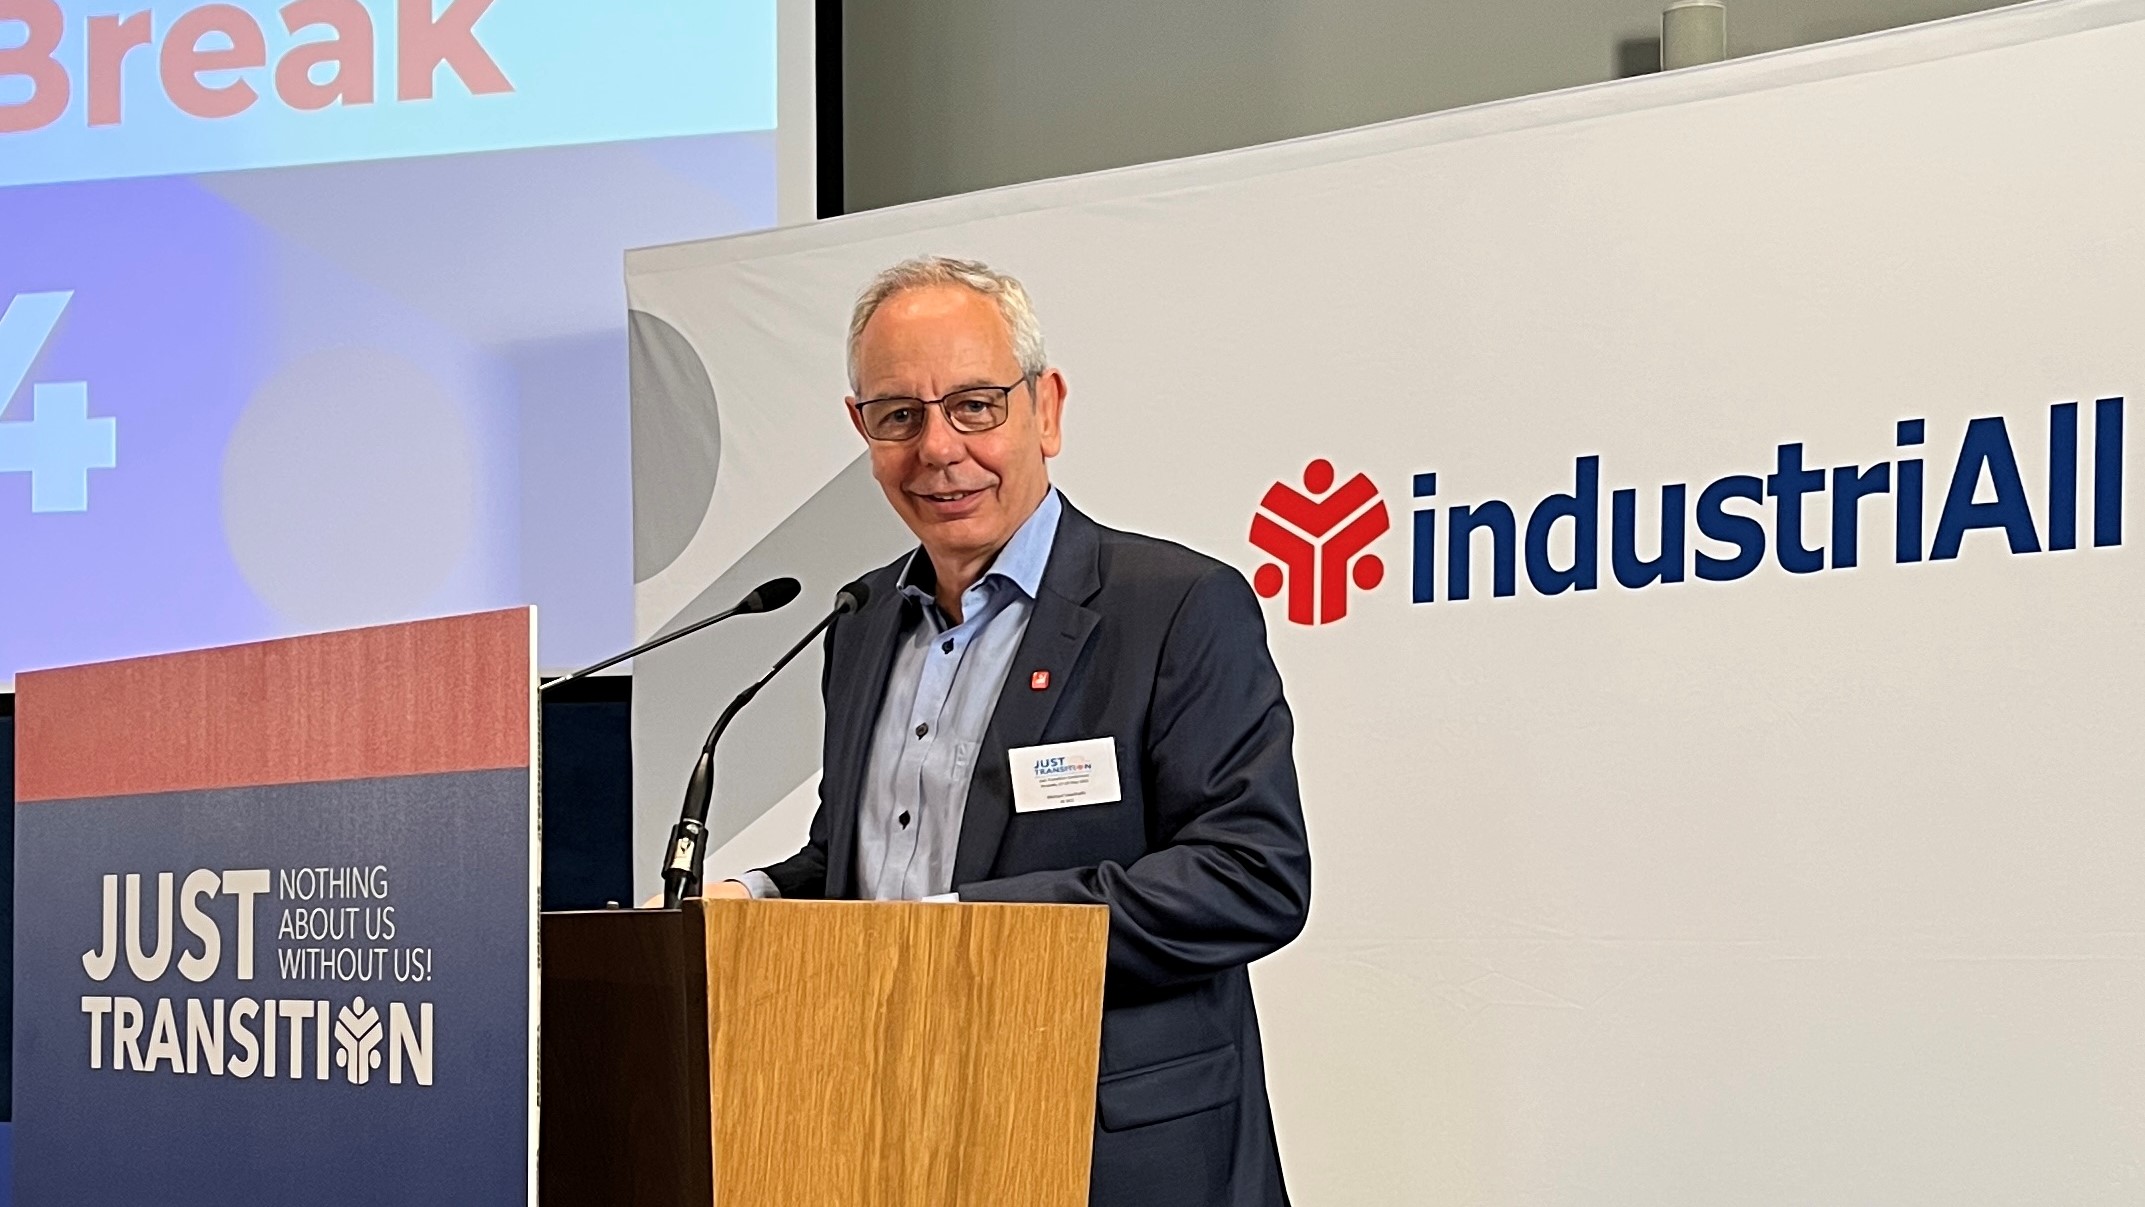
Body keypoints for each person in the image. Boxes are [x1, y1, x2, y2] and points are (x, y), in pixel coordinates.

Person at [709, 254, 1310, 1207]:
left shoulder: (1175, 606)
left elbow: (1250, 876)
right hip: (892, 1132)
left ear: (1046, 408)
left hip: (1109, 1150)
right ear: (862, 430)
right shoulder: (862, 620)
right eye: (898, 416)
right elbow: (869, 858)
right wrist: (759, 895)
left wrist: (975, 934)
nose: (938, 448)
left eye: (975, 406)